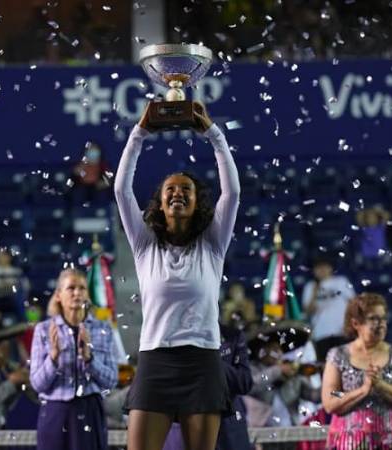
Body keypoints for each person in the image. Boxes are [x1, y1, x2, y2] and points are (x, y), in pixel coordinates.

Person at [114, 101, 240, 450]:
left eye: (186, 189)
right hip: (156, 359)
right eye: (170, 189)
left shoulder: (213, 245)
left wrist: (213, 134)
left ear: (198, 203)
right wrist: (139, 133)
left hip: (202, 362)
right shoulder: (144, 245)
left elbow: (232, 193)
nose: (177, 193)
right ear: (160, 202)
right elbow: (121, 191)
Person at [30, 268, 118, 450]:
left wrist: (89, 359)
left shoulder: (103, 329)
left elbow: (111, 381)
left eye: (82, 288)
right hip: (55, 413)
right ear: (58, 295)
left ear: (88, 295)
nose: (77, 293)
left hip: (90, 411)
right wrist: (53, 358)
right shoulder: (43, 330)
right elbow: (37, 384)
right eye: (71, 288)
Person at [322, 292, 392, 449]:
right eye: (374, 319)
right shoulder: (338, 355)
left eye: (383, 318)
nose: (381, 324)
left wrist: (382, 386)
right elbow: (331, 399)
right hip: (349, 443)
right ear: (356, 323)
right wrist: (362, 390)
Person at [162, 323, 253, 450]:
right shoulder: (170, 336)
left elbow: (245, 382)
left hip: (229, 432)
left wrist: (210, 359)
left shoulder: (232, 335)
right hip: (187, 425)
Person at [302, 255, 355, 362]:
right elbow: (308, 312)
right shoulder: (310, 286)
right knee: (325, 366)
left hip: (341, 332)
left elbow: (353, 303)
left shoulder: (341, 281)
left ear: (330, 268)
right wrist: (314, 293)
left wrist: (350, 325)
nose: (322, 270)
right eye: (318, 267)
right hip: (321, 334)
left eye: (324, 266)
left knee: (346, 364)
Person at [0, 248, 30, 322]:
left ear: (9, 257)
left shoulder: (17, 271)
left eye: (3, 255)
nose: (0, 258)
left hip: (13, 300)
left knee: (19, 298)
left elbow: (26, 287)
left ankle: (24, 321)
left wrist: (11, 287)